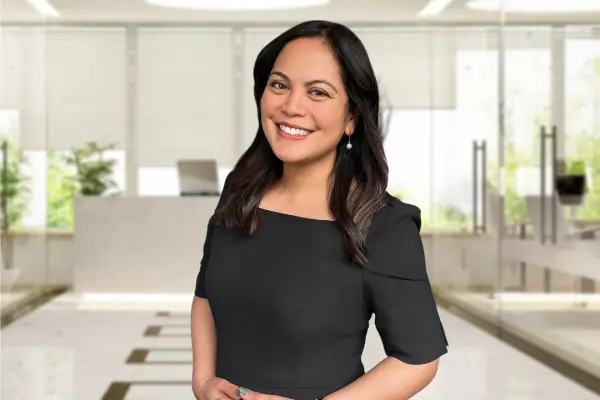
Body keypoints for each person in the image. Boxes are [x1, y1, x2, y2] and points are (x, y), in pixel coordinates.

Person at [190, 20, 448, 400]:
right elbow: (205, 296)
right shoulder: (240, 190)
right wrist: (203, 381)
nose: (291, 107)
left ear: (351, 118)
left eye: (318, 92)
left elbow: (417, 357)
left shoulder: (384, 224)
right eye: (279, 85)